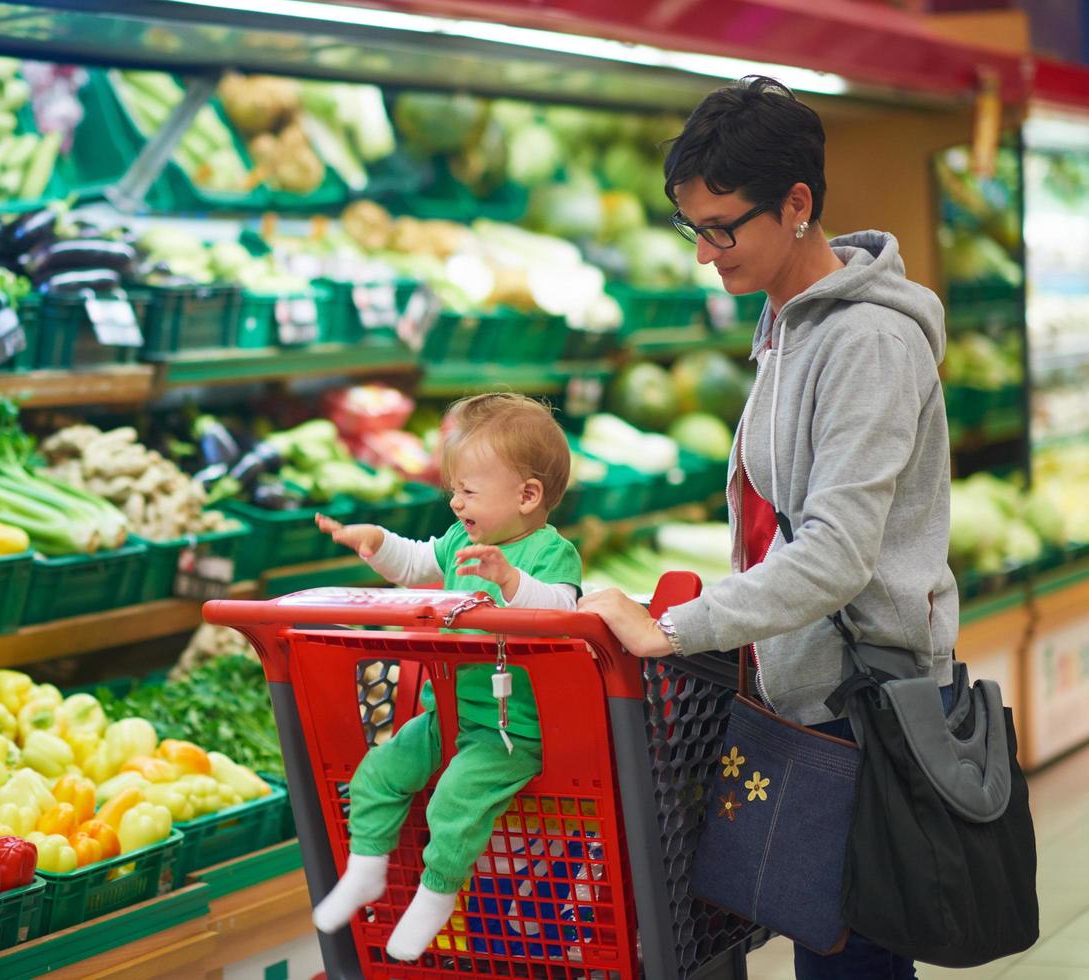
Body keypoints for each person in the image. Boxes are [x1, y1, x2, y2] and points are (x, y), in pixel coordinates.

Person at [577, 76, 957, 980]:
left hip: (864, 710)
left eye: (722, 227)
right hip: (806, 700)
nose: (705, 253)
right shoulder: (783, 320)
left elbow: (832, 552)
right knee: (826, 948)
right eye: (692, 228)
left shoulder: (865, 341)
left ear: (796, 205)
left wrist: (674, 627)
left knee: (851, 960)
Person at [309, 392, 582, 962]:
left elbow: (559, 614)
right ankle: (366, 870)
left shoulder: (550, 554)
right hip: (448, 714)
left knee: (452, 802)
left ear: (528, 495)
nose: (456, 502)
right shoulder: (462, 539)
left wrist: (508, 580)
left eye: (469, 491)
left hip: (512, 731)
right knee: (378, 773)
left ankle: (436, 897)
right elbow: (416, 563)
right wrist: (376, 544)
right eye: (453, 489)